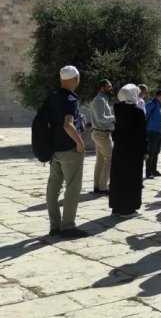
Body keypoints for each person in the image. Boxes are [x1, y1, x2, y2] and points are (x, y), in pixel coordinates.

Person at [46, 66, 89, 238]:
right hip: (69, 150)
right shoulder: (70, 99)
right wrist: (79, 143)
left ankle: (55, 226)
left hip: (54, 149)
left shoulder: (52, 97)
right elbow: (67, 124)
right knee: (73, 187)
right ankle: (68, 227)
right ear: (75, 79)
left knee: (53, 188)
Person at [109, 84, 147, 217]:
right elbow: (142, 134)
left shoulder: (118, 108)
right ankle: (128, 209)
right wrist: (145, 151)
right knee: (131, 179)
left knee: (118, 177)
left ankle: (117, 207)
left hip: (119, 149)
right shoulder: (138, 112)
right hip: (133, 151)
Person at [90, 79, 115, 195]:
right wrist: (115, 118)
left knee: (100, 161)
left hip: (99, 133)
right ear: (102, 87)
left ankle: (97, 187)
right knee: (109, 160)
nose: (111, 88)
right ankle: (103, 187)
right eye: (109, 86)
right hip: (102, 134)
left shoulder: (102, 99)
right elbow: (101, 117)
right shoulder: (100, 100)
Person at [144, 89, 161, 178]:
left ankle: (154, 170)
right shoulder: (152, 103)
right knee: (150, 152)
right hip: (152, 132)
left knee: (156, 152)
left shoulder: (159, 104)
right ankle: (148, 172)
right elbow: (144, 112)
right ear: (157, 96)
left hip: (158, 133)